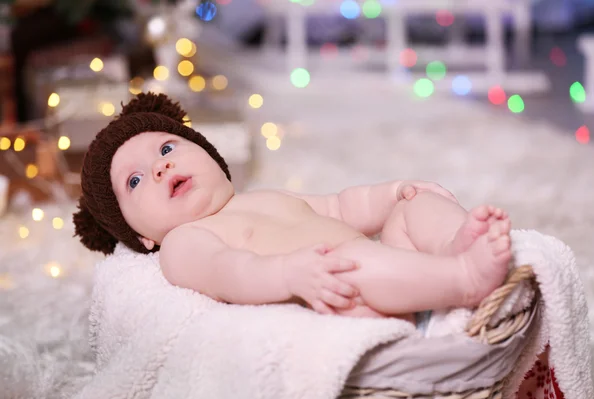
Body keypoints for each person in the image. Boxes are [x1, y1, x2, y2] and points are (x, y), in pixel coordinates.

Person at [73, 92, 512, 330]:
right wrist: (289, 274)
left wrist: (397, 190)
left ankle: (453, 246)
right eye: (134, 181)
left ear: (212, 158)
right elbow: (230, 271)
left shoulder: (262, 197)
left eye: (167, 147)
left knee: (411, 208)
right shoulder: (181, 244)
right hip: (337, 294)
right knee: (354, 266)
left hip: (393, 269)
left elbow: (343, 206)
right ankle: (464, 280)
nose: (160, 166)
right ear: (141, 237)